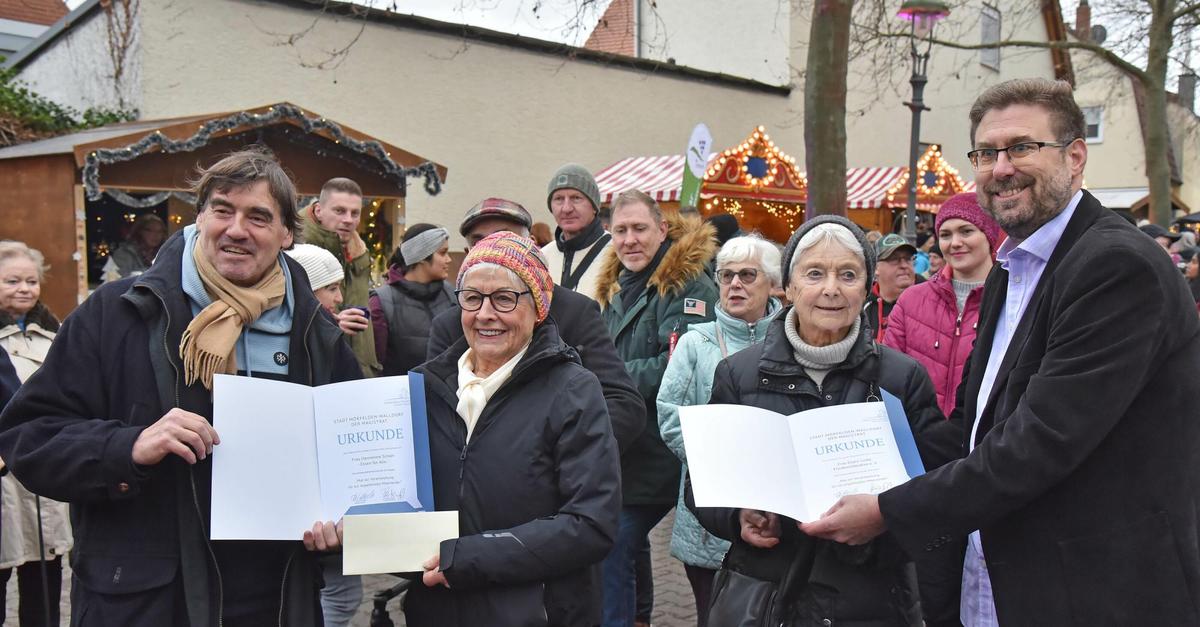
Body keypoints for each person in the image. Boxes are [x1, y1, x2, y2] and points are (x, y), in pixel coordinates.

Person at [799, 78, 1200, 626]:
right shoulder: (1013, 270)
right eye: (986, 153)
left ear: (1076, 157)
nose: (1000, 168)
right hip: (998, 577)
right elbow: (972, 424)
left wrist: (888, 510)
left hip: (1095, 589)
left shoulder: (1114, 266)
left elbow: (1040, 441)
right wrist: (837, 479)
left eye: (1021, 147)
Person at [0, 150, 360, 627]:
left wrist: (343, 524)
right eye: (222, 209)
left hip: (274, 597)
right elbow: (30, 438)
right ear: (200, 216)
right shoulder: (118, 313)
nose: (236, 229)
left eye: (258, 217)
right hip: (147, 600)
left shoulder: (317, 333)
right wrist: (128, 446)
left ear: (286, 234)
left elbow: (352, 464)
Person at [691, 216, 958, 627]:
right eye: (814, 273)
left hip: (870, 598)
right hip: (767, 597)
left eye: (847, 274)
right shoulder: (737, 375)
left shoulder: (901, 378)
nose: (831, 288)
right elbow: (702, 482)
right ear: (790, 287)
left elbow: (935, 489)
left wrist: (883, 517)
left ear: (867, 288)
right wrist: (737, 517)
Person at [407, 231, 620, 627]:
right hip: (437, 610)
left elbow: (591, 524)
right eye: (472, 298)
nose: (485, 313)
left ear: (538, 307)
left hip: (536, 613)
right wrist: (349, 535)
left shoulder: (573, 390)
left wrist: (467, 558)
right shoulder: (422, 387)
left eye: (504, 298)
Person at [427, 197, 645, 454]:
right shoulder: (451, 324)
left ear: (532, 246)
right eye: (478, 241)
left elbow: (623, 404)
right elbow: (435, 412)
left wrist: (560, 455)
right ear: (467, 255)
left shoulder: (574, 312)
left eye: (505, 237)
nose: (493, 248)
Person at [594, 190, 718, 627]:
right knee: (628, 541)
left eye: (639, 228)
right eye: (621, 230)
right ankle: (640, 618)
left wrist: (601, 377)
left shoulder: (687, 284)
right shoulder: (613, 286)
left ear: (662, 229)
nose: (630, 239)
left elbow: (678, 364)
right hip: (624, 444)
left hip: (663, 449)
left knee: (615, 538)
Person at [656, 234, 782, 627]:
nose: (734, 284)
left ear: (773, 284)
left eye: (748, 275)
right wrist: (721, 465)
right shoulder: (696, 342)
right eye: (726, 275)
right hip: (709, 510)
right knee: (714, 613)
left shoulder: (790, 340)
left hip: (776, 507)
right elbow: (669, 414)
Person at [283, 242, 364, 627]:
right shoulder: (314, 338)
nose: (339, 296)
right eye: (329, 287)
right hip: (314, 500)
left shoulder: (331, 337)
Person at [0, 241, 71, 626]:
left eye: (31, 280)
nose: (24, 288)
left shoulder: (57, 333)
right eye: (12, 281)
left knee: (45, 572)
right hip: (5, 479)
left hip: (47, 473)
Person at [884, 193, 1003, 416]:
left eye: (966, 231)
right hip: (919, 438)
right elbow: (889, 379)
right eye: (946, 234)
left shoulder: (1010, 300)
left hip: (983, 442)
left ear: (988, 235)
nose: (955, 243)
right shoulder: (911, 301)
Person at [302, 177, 378, 376]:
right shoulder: (296, 248)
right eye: (339, 211)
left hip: (357, 367)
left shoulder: (359, 250)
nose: (348, 219)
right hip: (318, 369)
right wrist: (332, 324)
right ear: (318, 210)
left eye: (355, 213)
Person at [369, 224, 455, 376]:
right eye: (443, 253)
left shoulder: (452, 295)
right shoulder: (382, 301)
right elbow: (375, 365)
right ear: (421, 256)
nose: (449, 259)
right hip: (402, 395)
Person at [542, 163, 612, 299]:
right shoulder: (542, 258)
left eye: (576, 198)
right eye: (559, 199)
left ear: (594, 206)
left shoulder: (615, 254)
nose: (567, 208)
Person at [865, 233, 918, 341]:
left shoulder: (929, 302)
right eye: (894, 259)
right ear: (875, 267)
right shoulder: (862, 306)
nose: (904, 265)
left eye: (908, 259)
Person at [103, 213, 169, 281]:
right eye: (150, 230)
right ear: (140, 231)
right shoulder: (123, 254)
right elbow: (119, 281)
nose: (156, 235)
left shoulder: (165, 253)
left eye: (160, 231)